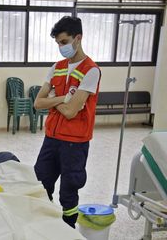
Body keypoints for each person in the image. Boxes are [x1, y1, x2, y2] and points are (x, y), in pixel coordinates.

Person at [33, 16, 101, 228]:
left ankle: (68, 229)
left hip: (75, 142)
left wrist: (52, 100)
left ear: (77, 38)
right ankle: (45, 225)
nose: (60, 47)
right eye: (58, 43)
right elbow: (37, 103)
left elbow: (71, 113)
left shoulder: (91, 70)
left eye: (63, 42)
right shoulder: (57, 67)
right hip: (51, 138)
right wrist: (63, 98)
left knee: (69, 191)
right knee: (40, 182)